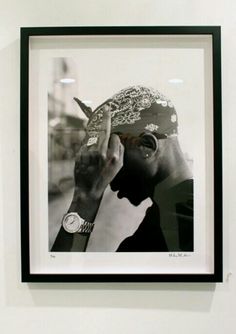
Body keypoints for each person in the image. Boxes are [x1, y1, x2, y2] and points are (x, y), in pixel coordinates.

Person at [51, 85, 193, 252]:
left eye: (114, 156)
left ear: (147, 146)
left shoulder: (183, 222)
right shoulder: (176, 210)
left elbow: (64, 275)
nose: (111, 182)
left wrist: (86, 196)